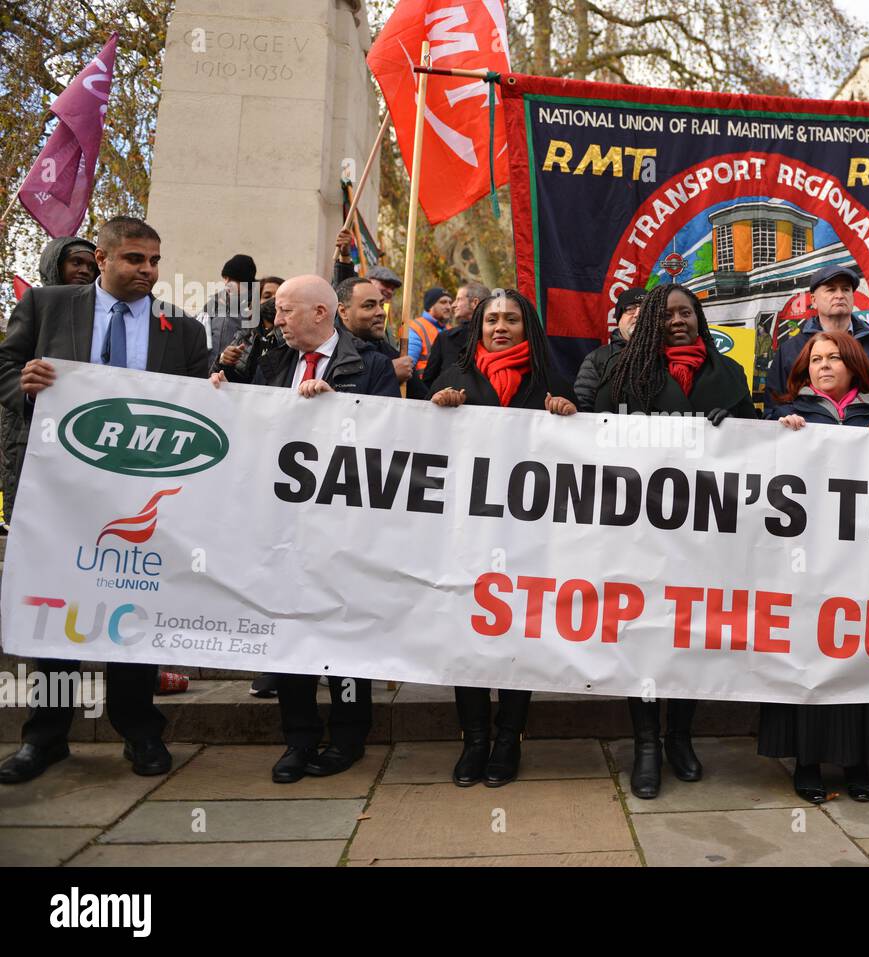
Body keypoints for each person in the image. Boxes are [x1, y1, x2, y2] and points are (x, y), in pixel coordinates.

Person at [0, 216, 209, 785]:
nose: (149, 271)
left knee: (132, 606)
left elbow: (201, 408)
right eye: (136, 259)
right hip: (58, 493)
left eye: (155, 261)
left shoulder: (183, 329)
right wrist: (24, 384)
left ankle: (140, 730)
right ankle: (45, 736)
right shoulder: (48, 306)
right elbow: (6, 363)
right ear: (102, 258)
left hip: (139, 500)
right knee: (55, 610)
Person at [213, 274, 399, 782]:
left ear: (321, 312)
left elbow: (393, 440)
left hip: (344, 531)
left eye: (285, 312)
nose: (277, 321)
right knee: (288, 633)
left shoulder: (373, 366)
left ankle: (346, 736)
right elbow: (244, 427)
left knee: (342, 635)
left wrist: (336, 407)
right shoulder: (269, 363)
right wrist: (221, 390)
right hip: (279, 530)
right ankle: (298, 738)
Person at [593, 283, 758, 798]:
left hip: (704, 532)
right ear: (649, 323)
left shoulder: (728, 374)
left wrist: (736, 426)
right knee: (644, 635)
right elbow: (596, 439)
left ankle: (679, 739)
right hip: (640, 530)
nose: (678, 320)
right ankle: (645, 744)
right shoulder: (623, 373)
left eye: (688, 312)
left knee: (688, 633)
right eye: (667, 314)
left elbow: (755, 445)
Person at [429, 288, 576, 786]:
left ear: (525, 327)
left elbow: (580, 453)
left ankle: (508, 739)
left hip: (530, 538)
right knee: (467, 633)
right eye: (492, 318)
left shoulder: (552, 381)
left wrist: (566, 415)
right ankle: (473, 741)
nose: (500, 326)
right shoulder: (453, 378)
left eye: (511, 319)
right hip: (467, 534)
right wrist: (438, 410)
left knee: (519, 635)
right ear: (479, 326)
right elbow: (419, 444)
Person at [759, 330, 869, 803]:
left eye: (833, 358)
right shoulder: (786, 415)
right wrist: (776, 437)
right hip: (806, 561)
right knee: (808, 649)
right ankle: (806, 760)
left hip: (864, 560)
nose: (823, 366)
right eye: (815, 359)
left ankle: (859, 762)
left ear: (853, 364)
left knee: (860, 650)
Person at [1, 236, 98, 528]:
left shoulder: (103, 314)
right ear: (55, 264)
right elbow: (6, 364)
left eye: (91, 266)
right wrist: (27, 390)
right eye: (76, 262)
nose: (84, 270)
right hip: (28, 429)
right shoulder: (37, 303)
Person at [765, 265, 869, 415]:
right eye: (831, 289)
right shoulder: (790, 350)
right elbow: (774, 408)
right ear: (814, 300)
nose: (840, 295)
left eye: (846, 289)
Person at [335, 276, 426, 400]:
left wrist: (440, 399)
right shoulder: (328, 347)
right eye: (369, 306)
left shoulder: (386, 350)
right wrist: (388, 373)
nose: (382, 312)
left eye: (381, 305)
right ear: (343, 311)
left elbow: (422, 399)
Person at [573, 286, 646, 412]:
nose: (638, 314)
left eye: (645, 309)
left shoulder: (666, 354)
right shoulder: (597, 358)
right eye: (630, 309)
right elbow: (582, 409)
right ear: (618, 320)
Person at [421, 281, 489, 390]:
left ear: (474, 303)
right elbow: (427, 384)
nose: (453, 305)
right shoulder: (444, 339)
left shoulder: (493, 338)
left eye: (459, 299)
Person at [204, 253, 259, 367]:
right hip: (210, 370)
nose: (227, 283)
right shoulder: (215, 302)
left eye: (233, 280)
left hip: (238, 374)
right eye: (225, 278)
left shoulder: (256, 307)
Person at [407, 286, 451, 378]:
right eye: (443, 302)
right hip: (423, 387)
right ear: (430, 306)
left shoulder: (449, 329)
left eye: (450, 302)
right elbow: (408, 366)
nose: (448, 307)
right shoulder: (416, 328)